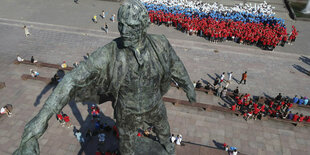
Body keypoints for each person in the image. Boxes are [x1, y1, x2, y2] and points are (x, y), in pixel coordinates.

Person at [14, 1, 196, 155]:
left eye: (131, 26)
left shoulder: (161, 43)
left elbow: (175, 65)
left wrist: (188, 85)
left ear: (144, 25)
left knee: (165, 132)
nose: (124, 31)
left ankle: (169, 146)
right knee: (127, 147)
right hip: (127, 113)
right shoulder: (109, 53)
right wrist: (41, 119)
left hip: (155, 105)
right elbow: (71, 80)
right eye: (121, 25)